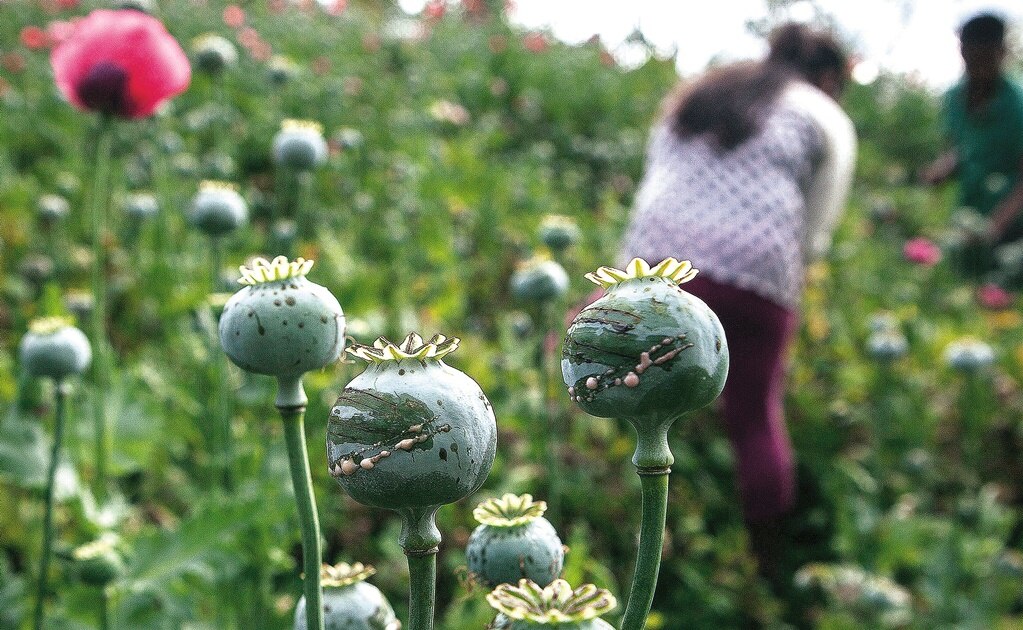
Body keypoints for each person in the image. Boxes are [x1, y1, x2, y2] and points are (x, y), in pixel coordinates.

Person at [617, 23, 856, 583]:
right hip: (757, 275)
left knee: (592, 352)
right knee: (753, 414)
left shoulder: (706, 88)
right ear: (827, 77)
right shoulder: (824, 115)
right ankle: (766, 563)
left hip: (655, 258)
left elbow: (656, 178)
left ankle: (599, 493)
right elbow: (816, 231)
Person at [922, 13, 1023, 248]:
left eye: (984, 58)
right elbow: (960, 150)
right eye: (970, 58)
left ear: (1002, 53)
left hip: (1014, 234)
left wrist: (991, 229)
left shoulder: (1018, 105)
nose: (977, 68)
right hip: (966, 219)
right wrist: (943, 168)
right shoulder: (953, 98)